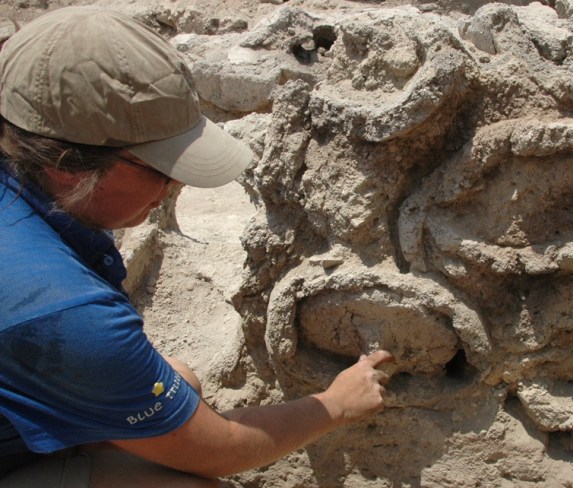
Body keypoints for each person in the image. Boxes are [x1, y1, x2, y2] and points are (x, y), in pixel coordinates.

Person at [0, 6, 393, 487]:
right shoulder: (63, 309)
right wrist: (335, 404)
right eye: (162, 169)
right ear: (69, 166)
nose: (174, 189)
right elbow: (217, 449)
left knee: (176, 380)